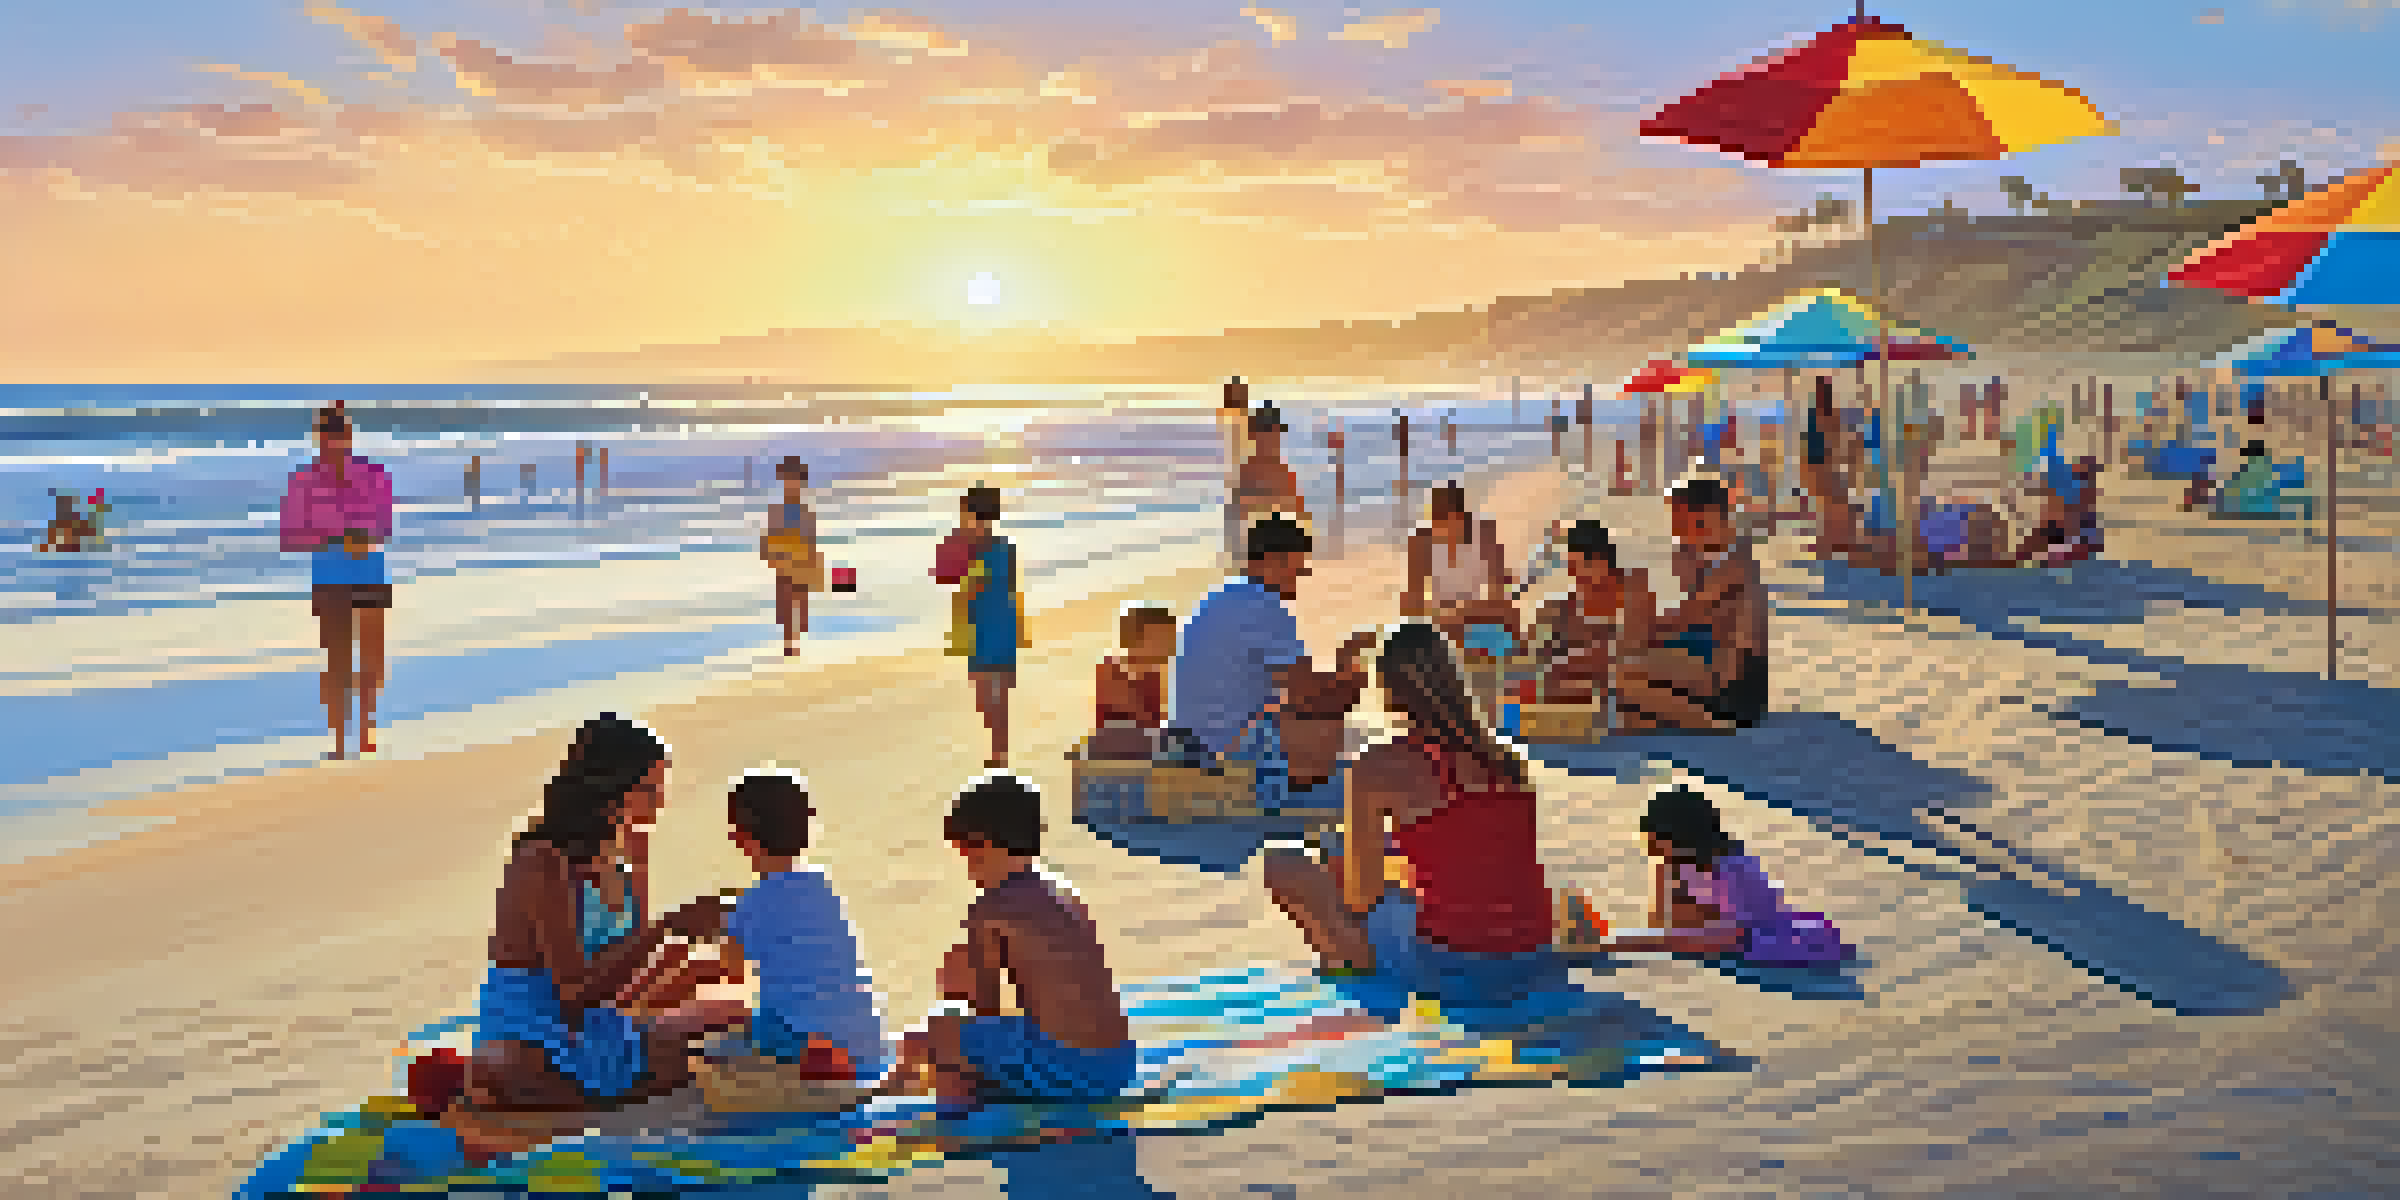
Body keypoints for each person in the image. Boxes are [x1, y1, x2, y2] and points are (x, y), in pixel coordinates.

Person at [1258, 624, 1570, 1022]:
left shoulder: (1378, 765)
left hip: (1458, 969)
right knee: (1360, 857)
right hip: (1533, 955)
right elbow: (1474, 843)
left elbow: (1361, 898)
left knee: (1284, 862)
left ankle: (1353, 977)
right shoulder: (1507, 758)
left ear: (1387, 693)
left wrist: (1368, 873)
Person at [458, 715, 745, 1121]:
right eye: (647, 789)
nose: (658, 802)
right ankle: (600, 1095)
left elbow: (628, 964)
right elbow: (574, 992)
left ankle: (605, 1093)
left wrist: (685, 941)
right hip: (530, 1030)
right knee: (510, 1072)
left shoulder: (625, 853)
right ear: (609, 790)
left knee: (729, 1035)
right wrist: (668, 931)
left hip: (598, 1026)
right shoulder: (542, 860)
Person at [877, 775, 1136, 1111]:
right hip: (1117, 1065)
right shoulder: (1064, 892)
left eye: (963, 849)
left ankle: (956, 1114)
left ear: (982, 846)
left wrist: (953, 990)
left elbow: (984, 1006)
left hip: (1070, 1071)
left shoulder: (990, 909)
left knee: (942, 1026)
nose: (965, 863)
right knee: (976, 1036)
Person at [699, 769, 889, 1085]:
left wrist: (718, 928)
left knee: (714, 1042)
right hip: (865, 1040)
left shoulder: (751, 904)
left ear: (740, 836)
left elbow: (730, 973)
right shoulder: (822, 887)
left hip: (805, 1048)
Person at [1171, 516, 1373, 810]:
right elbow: (1315, 697)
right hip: (1221, 751)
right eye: (1298, 564)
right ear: (1273, 561)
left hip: (1186, 741)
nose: (1303, 573)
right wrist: (1349, 666)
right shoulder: (1265, 606)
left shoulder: (1219, 596)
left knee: (1304, 715)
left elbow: (1290, 688)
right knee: (1345, 738)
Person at [1574, 785, 1848, 965]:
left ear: (1680, 838)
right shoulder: (1677, 864)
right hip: (1728, 930)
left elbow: (1731, 934)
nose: (1650, 848)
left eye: (1656, 841)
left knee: (1660, 940)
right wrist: (1665, 877)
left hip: (1761, 937)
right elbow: (1661, 923)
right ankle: (1602, 941)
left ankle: (1602, 942)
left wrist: (1659, 938)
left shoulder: (1731, 866)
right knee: (1661, 937)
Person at [279, 403, 395, 760]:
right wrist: (332, 539)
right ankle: (340, 739)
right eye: (325, 440)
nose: (331, 447)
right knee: (337, 659)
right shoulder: (303, 479)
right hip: (329, 577)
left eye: (336, 438)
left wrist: (358, 538)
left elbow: (384, 527)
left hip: (369, 572)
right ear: (318, 440)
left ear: (346, 437)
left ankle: (367, 728)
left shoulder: (374, 474)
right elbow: (289, 536)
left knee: (373, 657)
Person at [1615, 477, 1767, 732]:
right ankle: (1654, 713)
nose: (1676, 532)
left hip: (1733, 687)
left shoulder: (1737, 561)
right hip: (1707, 659)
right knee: (1625, 689)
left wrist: (1637, 637)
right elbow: (1694, 618)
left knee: (1623, 674)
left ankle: (1711, 725)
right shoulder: (1709, 554)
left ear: (1711, 518)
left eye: (1682, 522)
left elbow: (1687, 615)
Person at [934, 486, 1028, 768]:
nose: (964, 520)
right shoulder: (968, 546)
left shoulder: (1000, 548)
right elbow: (943, 576)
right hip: (978, 628)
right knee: (985, 695)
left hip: (996, 626)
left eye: (967, 514)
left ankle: (1000, 752)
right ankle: (999, 747)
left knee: (994, 693)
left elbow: (982, 585)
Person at [1526, 521, 1655, 707]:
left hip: (1625, 697)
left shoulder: (1637, 594)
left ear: (1602, 561)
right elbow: (1538, 659)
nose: (1573, 575)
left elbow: (1635, 655)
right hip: (1575, 700)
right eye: (1571, 567)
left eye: (1580, 566)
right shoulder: (1559, 610)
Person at [1402, 482, 1521, 659]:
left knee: (1503, 648)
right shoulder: (1422, 543)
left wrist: (1476, 613)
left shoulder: (1483, 534)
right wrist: (1445, 617)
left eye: (1448, 522)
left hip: (1482, 617)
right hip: (1442, 622)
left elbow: (1502, 589)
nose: (1441, 530)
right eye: (1437, 523)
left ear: (1460, 517)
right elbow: (1411, 604)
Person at [1089, 605, 1176, 761]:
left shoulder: (1154, 674)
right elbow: (1139, 721)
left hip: (1146, 748)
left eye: (1171, 638)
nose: (1170, 647)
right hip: (1117, 753)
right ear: (1134, 641)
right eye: (1162, 639)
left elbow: (1158, 721)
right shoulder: (1110, 671)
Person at [760, 457, 822, 656]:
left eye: (794, 480)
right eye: (787, 480)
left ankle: (795, 637)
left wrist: (814, 562)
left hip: (801, 562)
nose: (790, 484)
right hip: (785, 563)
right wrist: (770, 555)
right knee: (787, 605)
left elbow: (810, 537)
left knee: (800, 606)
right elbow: (768, 535)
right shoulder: (778, 510)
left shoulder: (804, 510)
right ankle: (790, 643)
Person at [1234, 405, 1308, 525]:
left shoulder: (1282, 469)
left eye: (1277, 432)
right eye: (1273, 432)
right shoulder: (1251, 470)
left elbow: (1298, 509)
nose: (1276, 438)